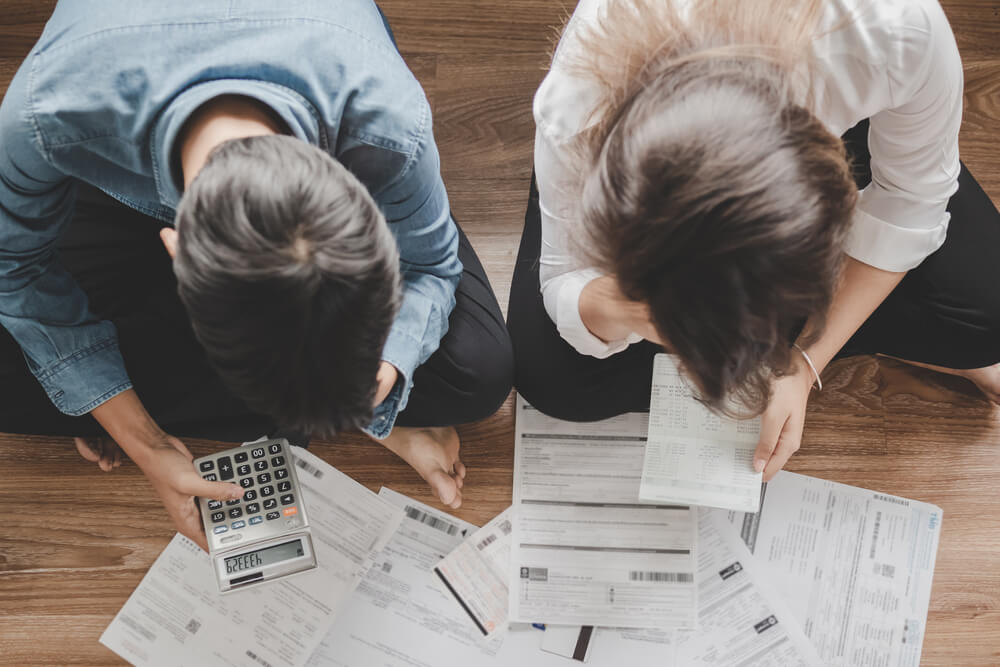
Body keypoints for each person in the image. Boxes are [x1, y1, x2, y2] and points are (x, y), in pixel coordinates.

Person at [0, 0, 513, 550]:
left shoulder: (388, 127)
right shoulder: (47, 114)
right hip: (111, 168)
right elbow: (14, 269)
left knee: (480, 370)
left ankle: (293, 393)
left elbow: (431, 264)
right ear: (175, 251)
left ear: (365, 215)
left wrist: (374, 381)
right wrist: (146, 444)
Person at [509, 0, 1000, 480]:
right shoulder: (581, 101)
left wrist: (804, 364)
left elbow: (912, 198)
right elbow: (564, 276)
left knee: (989, 311)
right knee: (552, 378)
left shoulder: (897, 26)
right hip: (622, 128)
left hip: (835, 109)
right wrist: (638, 311)